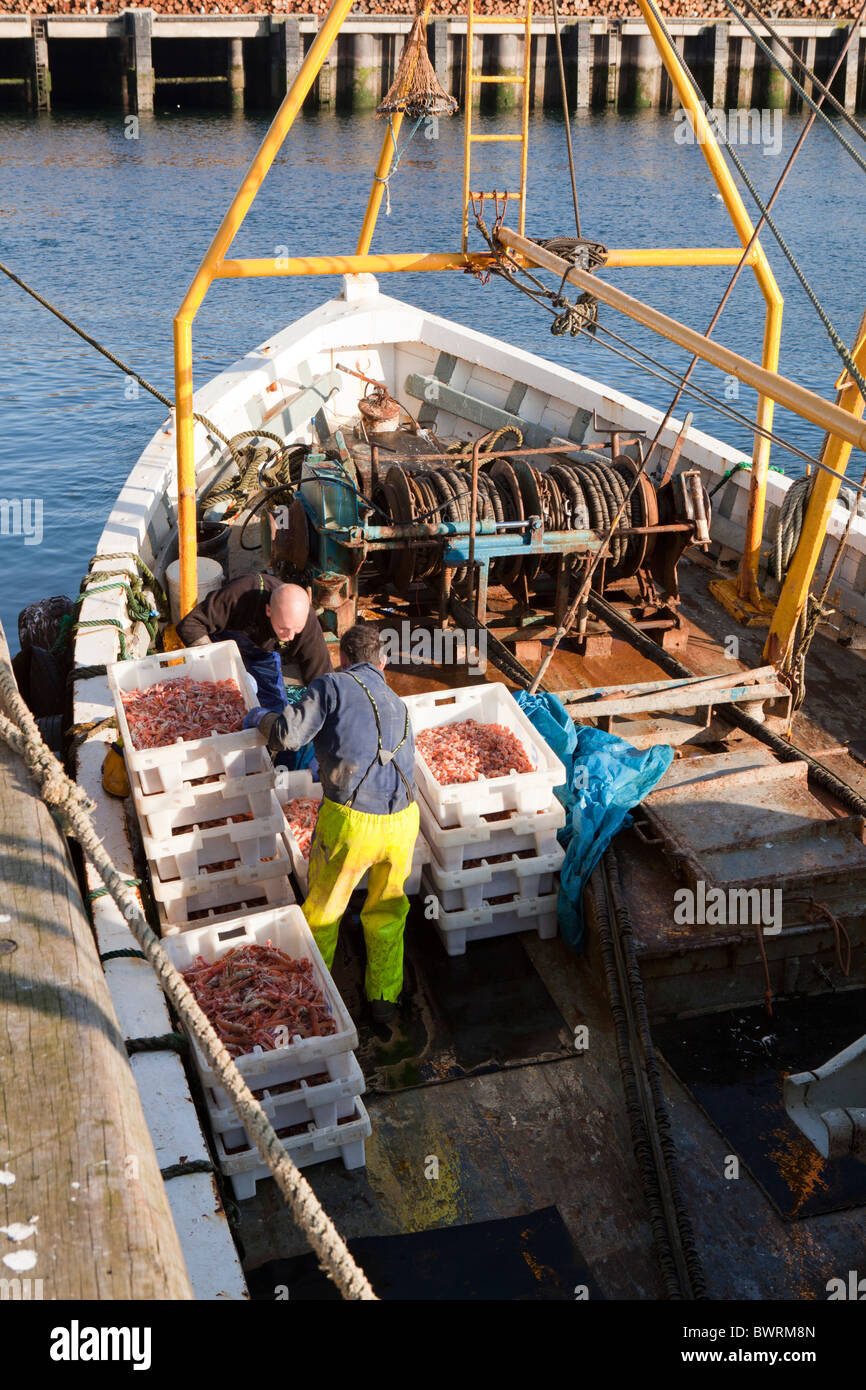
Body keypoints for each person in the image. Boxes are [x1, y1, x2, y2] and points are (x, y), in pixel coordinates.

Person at [244, 622, 419, 1024]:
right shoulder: (400, 703)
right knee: (388, 911)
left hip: (354, 822)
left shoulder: (331, 686)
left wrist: (259, 718)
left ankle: (312, 1002)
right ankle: (383, 1000)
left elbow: (288, 736)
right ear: (384, 661)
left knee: (323, 911)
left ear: (342, 658)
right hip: (405, 821)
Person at [175, 574, 330, 714]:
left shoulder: (307, 623)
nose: (290, 636)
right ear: (269, 610)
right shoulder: (238, 593)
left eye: (296, 630)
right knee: (217, 704)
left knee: (276, 710)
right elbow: (190, 625)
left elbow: (321, 678)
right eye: (283, 628)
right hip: (224, 644)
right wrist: (217, 664)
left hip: (263, 654)